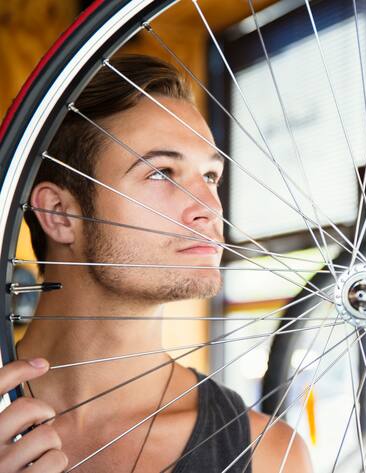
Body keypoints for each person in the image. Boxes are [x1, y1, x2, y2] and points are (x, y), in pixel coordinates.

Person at [0, 55, 313, 472]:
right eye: (162, 173)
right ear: (59, 214)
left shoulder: (269, 454)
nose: (209, 208)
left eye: (210, 177)